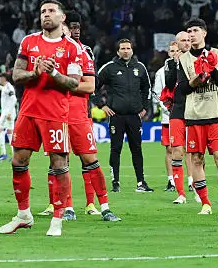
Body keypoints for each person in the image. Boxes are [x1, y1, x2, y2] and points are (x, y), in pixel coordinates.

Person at [0, 0, 83, 237]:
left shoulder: (72, 48)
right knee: (18, 161)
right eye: (43, 11)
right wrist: (36, 72)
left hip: (55, 113)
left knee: (59, 164)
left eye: (52, 11)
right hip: (28, 111)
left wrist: (54, 72)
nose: (46, 14)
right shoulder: (29, 41)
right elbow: (16, 74)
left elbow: (75, 83)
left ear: (62, 17)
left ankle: (57, 218)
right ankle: (23, 214)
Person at [63, 12, 119, 221]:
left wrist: (61, 82)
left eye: (76, 27)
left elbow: (91, 86)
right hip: (56, 115)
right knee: (60, 162)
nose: (73, 31)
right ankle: (66, 208)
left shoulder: (83, 52)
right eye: (70, 27)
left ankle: (103, 206)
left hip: (78, 113)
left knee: (91, 161)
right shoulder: (48, 52)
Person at [177, 18, 218, 215]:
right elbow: (181, 89)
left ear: (204, 33)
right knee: (197, 160)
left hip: (216, 115)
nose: (191, 35)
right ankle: (206, 203)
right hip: (194, 117)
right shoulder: (183, 60)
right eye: (189, 31)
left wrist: (212, 70)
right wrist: (196, 80)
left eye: (195, 31)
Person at [97, 38, 153, 192]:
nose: (126, 51)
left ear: (132, 50)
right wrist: (102, 105)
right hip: (117, 115)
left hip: (134, 116)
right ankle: (115, 183)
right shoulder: (109, 68)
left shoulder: (140, 68)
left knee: (137, 149)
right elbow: (93, 85)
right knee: (116, 148)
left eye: (128, 48)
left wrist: (145, 108)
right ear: (118, 51)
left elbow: (147, 89)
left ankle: (141, 183)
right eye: (122, 48)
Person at [164, 30, 195, 204]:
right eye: (182, 41)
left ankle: (196, 186)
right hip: (177, 110)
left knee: (196, 152)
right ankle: (181, 193)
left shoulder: (197, 59)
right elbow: (169, 84)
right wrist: (176, 64)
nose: (186, 43)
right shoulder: (171, 63)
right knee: (177, 150)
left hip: (195, 111)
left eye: (188, 40)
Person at [153, 41, 179, 192]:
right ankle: (171, 180)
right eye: (172, 51)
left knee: (188, 149)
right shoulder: (161, 72)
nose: (175, 53)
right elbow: (156, 95)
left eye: (177, 50)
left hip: (185, 115)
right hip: (168, 116)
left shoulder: (186, 68)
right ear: (168, 53)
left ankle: (190, 180)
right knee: (169, 149)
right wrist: (167, 108)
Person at [0, 73, 17, 161]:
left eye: (0, 78)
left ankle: (3, 154)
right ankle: (14, 155)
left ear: (4, 79)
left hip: (7, 113)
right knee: (10, 132)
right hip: (9, 113)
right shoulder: (6, 87)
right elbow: (3, 90)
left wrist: (9, 113)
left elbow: (14, 99)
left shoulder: (9, 87)